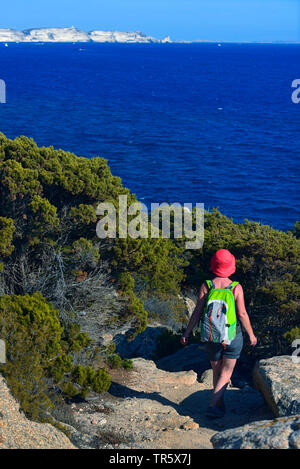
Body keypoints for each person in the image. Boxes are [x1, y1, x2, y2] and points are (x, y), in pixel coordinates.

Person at [180, 249, 257, 419]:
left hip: (210, 336)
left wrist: (187, 332)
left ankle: (219, 404)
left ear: (214, 266)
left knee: (217, 371)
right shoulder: (236, 287)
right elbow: (242, 314)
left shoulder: (206, 285)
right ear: (231, 267)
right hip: (232, 335)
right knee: (226, 373)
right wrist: (251, 334)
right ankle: (214, 405)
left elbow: (197, 312)